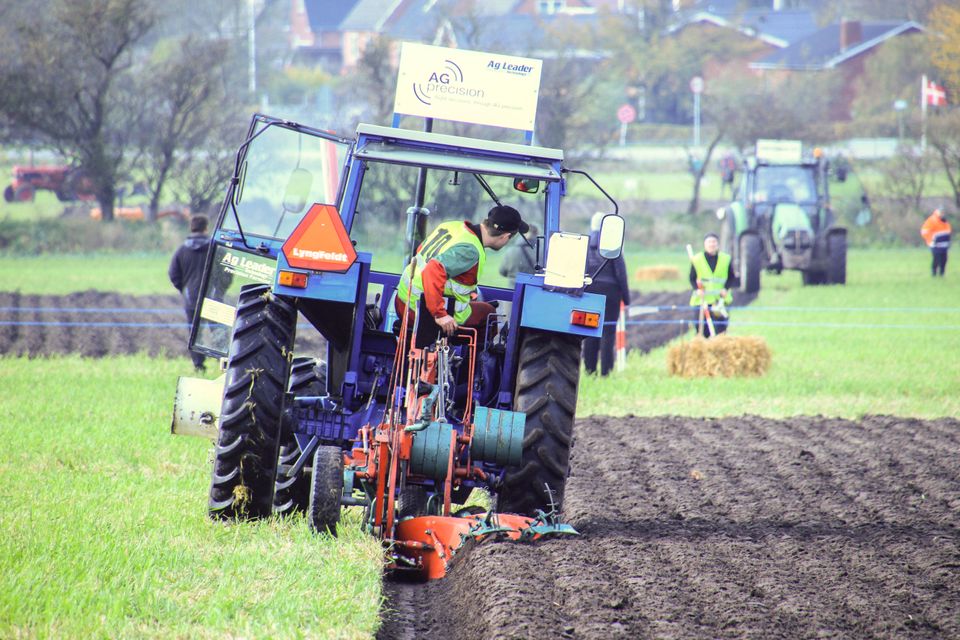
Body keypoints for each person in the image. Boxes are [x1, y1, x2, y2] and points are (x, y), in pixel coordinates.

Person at [395, 205, 528, 343]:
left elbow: (422, 251)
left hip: (403, 299)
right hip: (421, 312)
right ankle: (472, 363)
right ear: (506, 236)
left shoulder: (452, 226)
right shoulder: (470, 250)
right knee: (488, 314)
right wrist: (440, 314)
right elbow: (433, 269)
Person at [583, 212, 630, 376]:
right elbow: (621, 273)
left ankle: (589, 371)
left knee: (589, 331)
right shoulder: (613, 244)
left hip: (589, 292)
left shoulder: (584, 243)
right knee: (608, 332)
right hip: (611, 293)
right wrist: (626, 298)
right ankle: (606, 372)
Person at [169, 214, 211, 371]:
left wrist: (183, 289)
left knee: (194, 331)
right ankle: (225, 364)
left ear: (191, 228)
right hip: (213, 298)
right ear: (206, 228)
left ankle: (199, 365)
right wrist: (219, 289)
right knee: (218, 330)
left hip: (191, 298)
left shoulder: (181, 250)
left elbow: (173, 274)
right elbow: (227, 272)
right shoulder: (215, 248)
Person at [689, 233, 734, 337]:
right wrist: (697, 290)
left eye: (714, 242)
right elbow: (692, 278)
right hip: (702, 300)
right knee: (702, 330)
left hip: (720, 301)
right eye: (709, 242)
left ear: (717, 244)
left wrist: (725, 289)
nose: (712, 244)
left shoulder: (725, 259)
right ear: (705, 244)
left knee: (720, 329)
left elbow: (731, 277)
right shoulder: (697, 260)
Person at [921, 208, 951, 277]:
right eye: (942, 213)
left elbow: (948, 231)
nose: (943, 214)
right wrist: (931, 240)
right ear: (938, 213)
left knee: (944, 259)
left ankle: (942, 274)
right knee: (936, 258)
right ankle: (933, 274)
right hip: (934, 244)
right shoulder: (931, 220)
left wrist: (948, 241)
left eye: (944, 213)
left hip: (944, 244)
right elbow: (924, 232)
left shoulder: (944, 221)